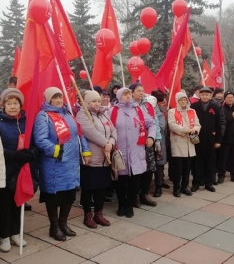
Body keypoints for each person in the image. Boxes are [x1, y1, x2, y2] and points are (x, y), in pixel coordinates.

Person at [33, 87, 91, 241]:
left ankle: (63, 223)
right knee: (54, 196)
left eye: (60, 97)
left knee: (69, 195)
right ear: (48, 99)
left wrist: (86, 151)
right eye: (55, 97)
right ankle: (54, 227)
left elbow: (80, 134)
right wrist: (56, 150)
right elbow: (40, 139)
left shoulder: (69, 114)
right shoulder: (43, 116)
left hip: (71, 163)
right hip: (53, 164)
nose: (59, 100)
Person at [108, 87, 156, 218]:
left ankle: (129, 205)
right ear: (118, 96)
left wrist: (151, 137)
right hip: (119, 151)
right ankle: (121, 204)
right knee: (120, 182)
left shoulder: (138, 110)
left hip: (137, 150)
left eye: (129, 93)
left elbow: (152, 124)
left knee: (134, 181)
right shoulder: (112, 111)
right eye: (125, 94)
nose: (128, 96)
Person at [0, 89, 37, 253]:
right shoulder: (0, 122)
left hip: (22, 170)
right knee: (4, 204)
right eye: (9, 104)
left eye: (15, 103)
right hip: (4, 168)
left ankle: (15, 233)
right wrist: (15, 156)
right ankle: (4, 236)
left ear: (20, 105)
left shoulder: (26, 121)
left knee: (18, 202)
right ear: (3, 105)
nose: (13, 107)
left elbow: (35, 142)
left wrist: (31, 154)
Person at [76, 90, 116, 228]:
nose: (97, 104)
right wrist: (105, 143)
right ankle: (87, 215)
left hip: (105, 158)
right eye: (93, 101)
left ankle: (99, 214)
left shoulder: (104, 114)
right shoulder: (82, 114)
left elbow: (113, 130)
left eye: (98, 101)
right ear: (87, 102)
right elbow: (90, 132)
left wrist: (110, 143)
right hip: (91, 160)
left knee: (102, 188)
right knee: (89, 188)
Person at [129, 83, 159, 207]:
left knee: (149, 169)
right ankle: (135, 195)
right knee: (137, 171)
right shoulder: (129, 106)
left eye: (142, 90)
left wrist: (155, 138)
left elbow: (154, 122)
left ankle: (144, 194)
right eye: (138, 90)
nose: (141, 93)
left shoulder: (147, 105)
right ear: (131, 92)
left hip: (148, 142)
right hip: (135, 143)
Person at [168, 92, 201, 197]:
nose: (183, 101)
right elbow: (172, 125)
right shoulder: (172, 111)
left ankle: (184, 187)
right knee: (178, 168)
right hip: (178, 142)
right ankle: (176, 188)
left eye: (184, 99)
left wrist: (194, 130)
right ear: (177, 101)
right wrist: (186, 130)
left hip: (189, 143)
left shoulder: (192, 111)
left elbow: (197, 124)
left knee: (187, 168)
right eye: (180, 100)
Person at [191, 87, 222, 193]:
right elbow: (191, 123)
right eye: (203, 94)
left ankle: (209, 183)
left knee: (210, 162)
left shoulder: (216, 107)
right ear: (199, 95)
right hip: (197, 139)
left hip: (210, 140)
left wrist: (218, 140)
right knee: (196, 162)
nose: (205, 96)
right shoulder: (194, 107)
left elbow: (219, 125)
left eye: (207, 95)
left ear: (210, 96)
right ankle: (196, 182)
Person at [146, 95, 167, 198]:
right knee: (149, 166)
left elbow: (162, 127)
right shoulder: (143, 112)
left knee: (159, 166)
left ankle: (158, 187)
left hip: (158, 144)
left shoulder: (159, 114)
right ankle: (147, 187)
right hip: (147, 144)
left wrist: (151, 130)